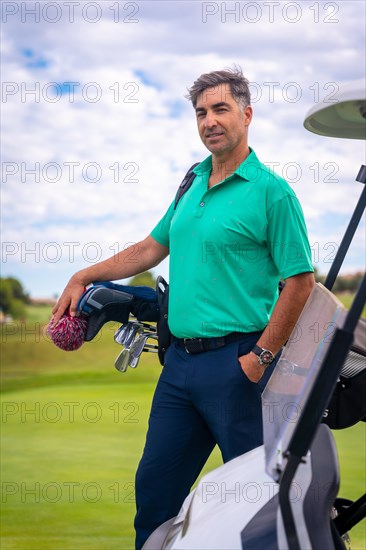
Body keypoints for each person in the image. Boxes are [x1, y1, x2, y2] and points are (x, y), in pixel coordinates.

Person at [52, 67, 315, 549]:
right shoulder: (192, 181)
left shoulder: (272, 193)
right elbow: (151, 249)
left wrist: (259, 359)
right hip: (178, 369)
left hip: (238, 367)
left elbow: (300, 282)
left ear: (247, 114)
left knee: (256, 507)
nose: (209, 121)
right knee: (154, 496)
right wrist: (84, 274)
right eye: (200, 112)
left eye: (220, 109)